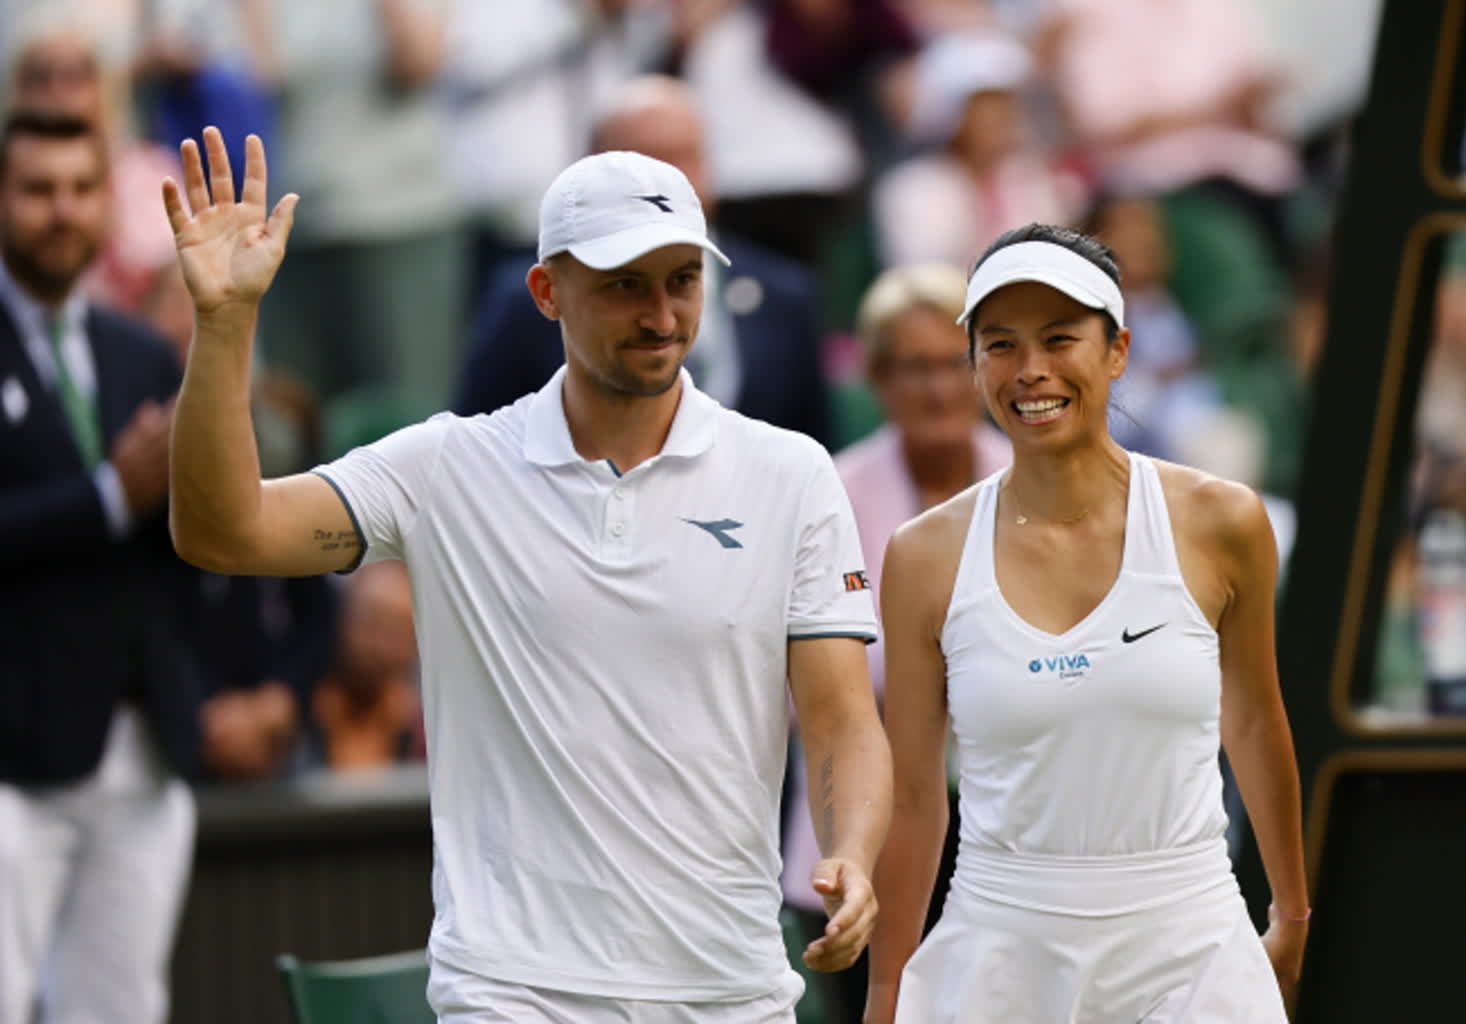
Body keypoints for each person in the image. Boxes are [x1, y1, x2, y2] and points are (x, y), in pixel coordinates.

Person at [164, 127, 892, 1021]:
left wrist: (852, 851)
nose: (661, 315)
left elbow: (841, 720)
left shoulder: (793, 473)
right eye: (625, 284)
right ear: (547, 291)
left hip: (731, 992)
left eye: (682, 280)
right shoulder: (445, 467)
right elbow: (223, 531)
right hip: (511, 996)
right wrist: (225, 323)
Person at [865, 223, 1309, 1023]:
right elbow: (914, 798)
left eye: (1060, 338)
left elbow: (1254, 719)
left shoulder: (1224, 521)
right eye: (999, 344)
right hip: (998, 952)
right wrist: (887, 992)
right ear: (974, 365)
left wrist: (1291, 913)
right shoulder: (921, 556)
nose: (1030, 370)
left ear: (1118, 351)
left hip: (1193, 944)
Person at [0, 111, 196, 1024]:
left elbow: (192, 544)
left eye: (82, 189)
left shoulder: (141, 352)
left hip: (141, 744)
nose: (61, 212)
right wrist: (110, 493)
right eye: (37, 190)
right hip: (14, 751)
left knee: (119, 1010)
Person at [781, 262, 1009, 1020]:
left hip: (1012, 839)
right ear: (877, 377)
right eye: (915, 367)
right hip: (864, 840)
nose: (940, 388)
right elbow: (803, 681)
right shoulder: (827, 495)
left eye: (955, 363)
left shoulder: (1036, 480)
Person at [455, 74, 833, 448]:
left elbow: (816, 440)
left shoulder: (785, 296)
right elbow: (479, 450)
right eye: (647, 159)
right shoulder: (520, 305)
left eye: (685, 155)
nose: (666, 181)